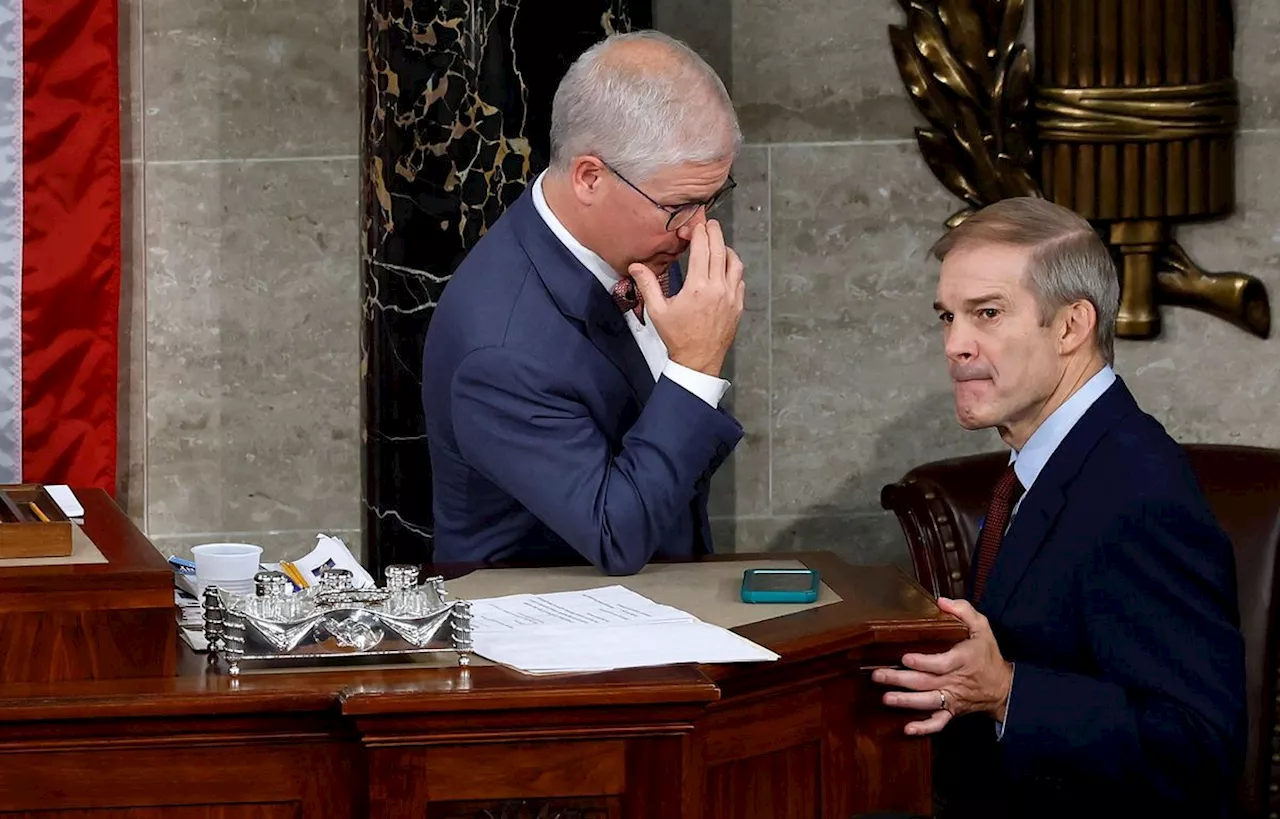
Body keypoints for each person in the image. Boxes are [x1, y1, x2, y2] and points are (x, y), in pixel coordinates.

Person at [873, 197, 1247, 818]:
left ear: (1072, 326)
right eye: (947, 317)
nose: (955, 345)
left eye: (987, 314)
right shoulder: (1055, 458)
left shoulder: (1136, 487)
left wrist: (1005, 693)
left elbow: (1199, 748)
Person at [421, 31, 745, 575]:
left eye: (712, 200)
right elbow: (616, 535)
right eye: (681, 206)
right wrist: (695, 367)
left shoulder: (640, 238)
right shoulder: (501, 351)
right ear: (590, 177)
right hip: (546, 640)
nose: (698, 231)